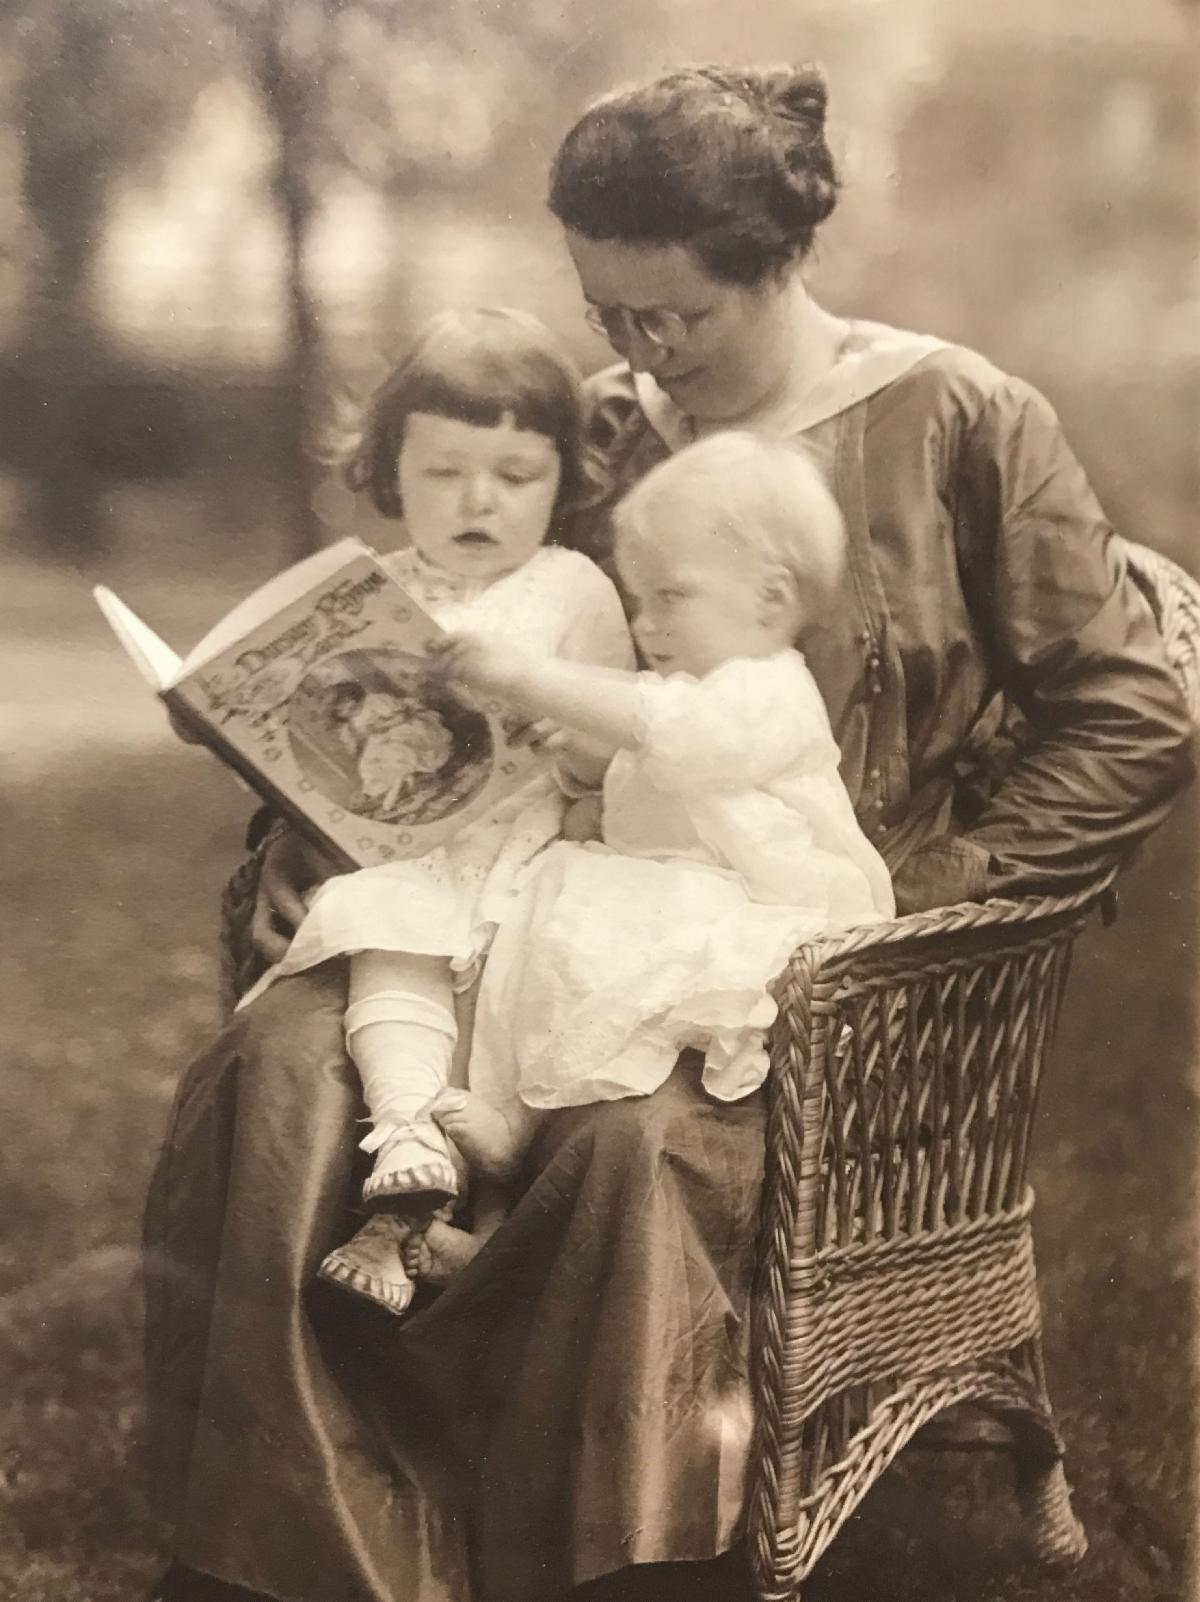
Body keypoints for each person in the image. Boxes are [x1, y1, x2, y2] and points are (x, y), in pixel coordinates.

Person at [145, 63, 1192, 1602]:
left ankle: (600, 1563)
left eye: (673, 316)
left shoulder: (958, 418)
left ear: (780, 263)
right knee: (291, 1057)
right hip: (556, 896)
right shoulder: (604, 432)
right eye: (606, 312)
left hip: (822, 974)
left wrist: (927, 895)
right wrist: (334, 762)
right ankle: (292, 1554)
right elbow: (508, 655)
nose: (636, 353)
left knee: (628, 1141)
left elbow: (1132, 711)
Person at [233, 303, 634, 1316]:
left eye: (516, 476)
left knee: (532, 981)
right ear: (390, 471)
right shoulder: (372, 590)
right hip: (410, 847)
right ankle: (406, 1141)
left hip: (531, 848)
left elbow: (618, 747)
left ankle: (453, 1221)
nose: (478, 500)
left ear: (564, 480)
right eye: (444, 471)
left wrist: (563, 731)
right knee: (385, 922)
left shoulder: (573, 590)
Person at [428, 432, 893, 1190]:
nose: (645, 626)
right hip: (680, 897)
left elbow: (680, 735)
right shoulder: (696, 696)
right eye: (638, 602)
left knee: (592, 929)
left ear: (772, 599)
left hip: (766, 913)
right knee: (537, 912)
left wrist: (528, 677)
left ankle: (515, 1141)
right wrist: (580, 758)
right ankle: (501, 1161)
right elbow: (647, 779)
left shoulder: (770, 691)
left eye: (670, 597)